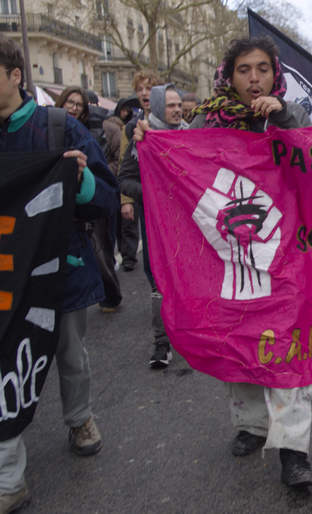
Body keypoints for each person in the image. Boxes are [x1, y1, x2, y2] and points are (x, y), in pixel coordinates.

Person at [134, 37, 312, 488]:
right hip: (229, 254)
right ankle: (251, 424)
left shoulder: (292, 115)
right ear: (229, 76)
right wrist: (147, 141)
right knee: (239, 339)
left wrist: (282, 116)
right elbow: (177, 161)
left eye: (262, 69)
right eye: (244, 70)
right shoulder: (206, 119)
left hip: (285, 254)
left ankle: (293, 449)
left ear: (275, 74)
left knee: (290, 348)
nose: (254, 78)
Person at [0, 35, 118, 511]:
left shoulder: (58, 128)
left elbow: (106, 197)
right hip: (5, 277)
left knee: (70, 353)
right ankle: (9, 470)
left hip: (59, 271)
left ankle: (79, 418)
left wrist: (81, 178)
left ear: (15, 76)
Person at [119, 84, 187, 370]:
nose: (177, 110)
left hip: (188, 223)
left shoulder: (190, 134)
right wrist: (151, 191)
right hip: (156, 225)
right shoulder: (143, 138)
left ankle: (191, 334)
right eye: (170, 105)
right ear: (158, 107)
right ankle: (161, 343)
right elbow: (124, 180)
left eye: (179, 105)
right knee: (160, 280)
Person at [55, 88, 123, 314]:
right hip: (60, 211)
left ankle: (110, 295)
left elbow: (116, 162)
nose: (73, 107)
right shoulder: (49, 129)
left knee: (101, 249)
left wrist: (86, 176)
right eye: (70, 102)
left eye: (78, 104)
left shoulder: (96, 131)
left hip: (95, 199)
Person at [119, 70, 160, 273]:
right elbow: (124, 165)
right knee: (151, 253)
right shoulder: (130, 128)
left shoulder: (170, 120)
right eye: (140, 89)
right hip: (146, 199)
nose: (144, 93)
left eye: (149, 88)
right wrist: (126, 201)